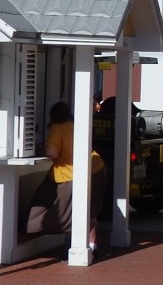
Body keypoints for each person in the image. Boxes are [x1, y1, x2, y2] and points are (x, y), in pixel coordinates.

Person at [26, 101, 107, 249]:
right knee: (90, 211)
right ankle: (92, 246)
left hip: (73, 174)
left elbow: (52, 152)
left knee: (68, 214)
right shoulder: (75, 124)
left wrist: (39, 149)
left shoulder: (57, 128)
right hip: (97, 168)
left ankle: (74, 247)